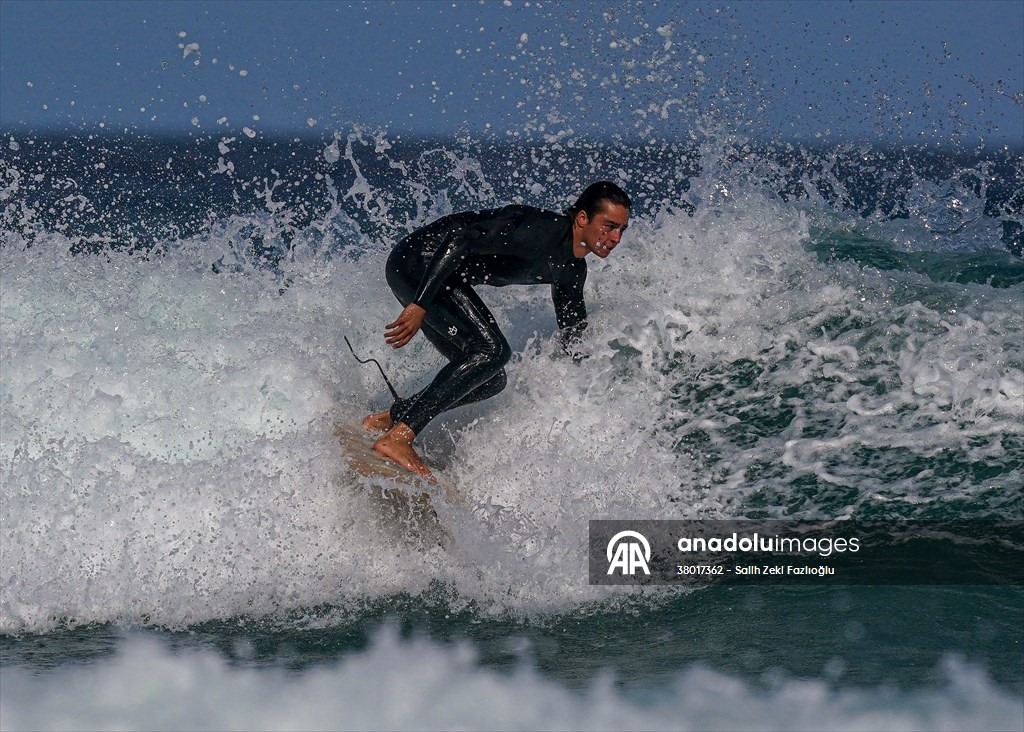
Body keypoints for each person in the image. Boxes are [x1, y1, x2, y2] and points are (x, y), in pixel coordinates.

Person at [362, 181, 631, 480]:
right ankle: (398, 438)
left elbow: (572, 332)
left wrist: (588, 381)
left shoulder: (571, 271)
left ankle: (391, 419)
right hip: (418, 263)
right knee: (493, 351)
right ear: (583, 218)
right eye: (609, 226)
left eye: (621, 230)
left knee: (490, 379)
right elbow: (460, 239)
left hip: (435, 277)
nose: (615, 237)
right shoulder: (540, 229)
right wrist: (420, 304)